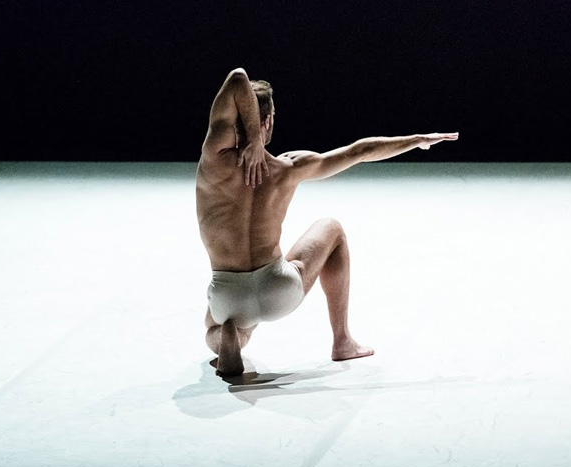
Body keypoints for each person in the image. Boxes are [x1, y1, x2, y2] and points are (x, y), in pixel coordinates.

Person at [196, 68, 458, 376]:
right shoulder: (289, 167)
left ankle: (229, 338)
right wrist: (417, 140)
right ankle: (342, 341)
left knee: (216, 325)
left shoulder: (214, 158)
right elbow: (360, 151)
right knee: (331, 228)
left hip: (228, 293)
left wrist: (249, 138)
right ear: (266, 122)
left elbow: (236, 77)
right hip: (278, 288)